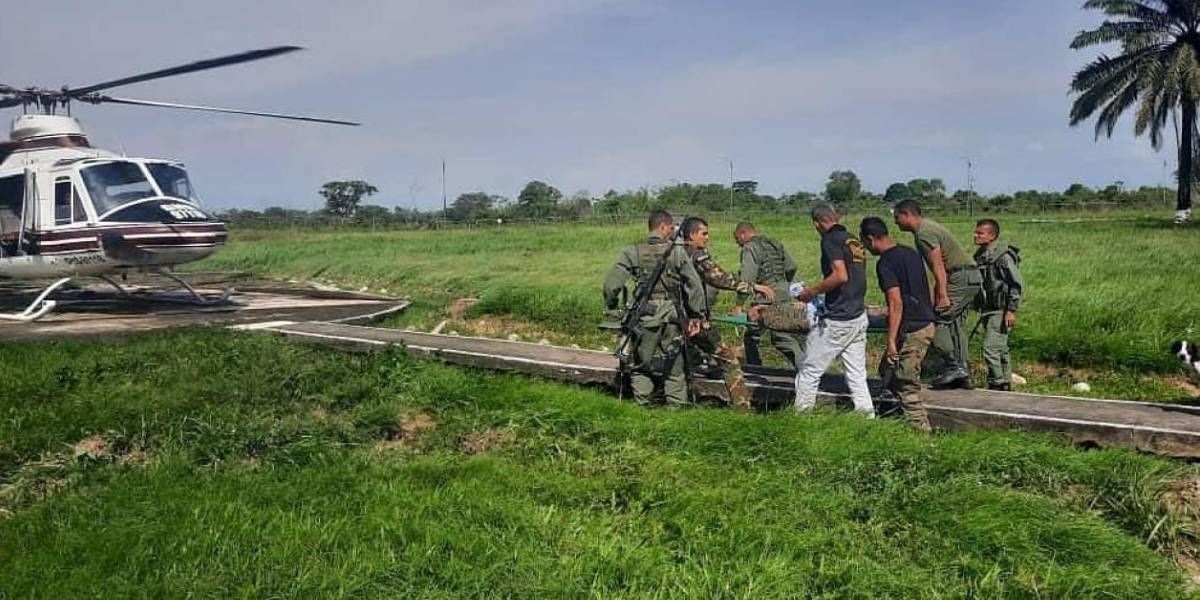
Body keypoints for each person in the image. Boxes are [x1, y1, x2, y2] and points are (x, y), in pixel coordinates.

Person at [602, 210, 707, 406]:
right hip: (672, 315)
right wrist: (696, 315)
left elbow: (611, 285)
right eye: (670, 228)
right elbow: (694, 286)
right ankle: (676, 410)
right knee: (675, 368)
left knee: (641, 364)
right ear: (663, 227)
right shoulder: (677, 252)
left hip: (645, 314)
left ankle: (643, 408)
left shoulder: (633, 251)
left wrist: (612, 309)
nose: (671, 232)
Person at [679, 217, 775, 409]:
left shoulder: (674, 253)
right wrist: (753, 286)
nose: (707, 237)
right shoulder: (696, 255)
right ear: (692, 235)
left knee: (682, 360)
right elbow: (719, 278)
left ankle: (681, 402)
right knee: (729, 361)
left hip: (674, 319)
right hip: (695, 321)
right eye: (704, 233)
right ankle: (742, 409)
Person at [793, 204, 874, 417]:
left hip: (838, 319)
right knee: (857, 374)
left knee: (809, 371)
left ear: (817, 223)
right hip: (858, 315)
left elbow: (840, 275)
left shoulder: (829, 240)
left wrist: (812, 291)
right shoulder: (852, 239)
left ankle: (800, 420)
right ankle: (868, 419)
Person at [892, 200, 981, 389]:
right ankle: (963, 373)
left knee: (938, 318)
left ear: (907, 215)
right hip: (969, 276)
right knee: (955, 325)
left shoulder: (924, 233)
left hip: (959, 276)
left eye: (897, 217)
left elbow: (938, 265)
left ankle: (954, 366)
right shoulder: (930, 227)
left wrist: (942, 294)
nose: (895, 222)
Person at [859, 217, 935, 432]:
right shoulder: (910, 253)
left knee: (905, 381)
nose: (865, 247)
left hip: (913, 328)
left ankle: (921, 434)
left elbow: (895, 303)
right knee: (886, 370)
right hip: (924, 320)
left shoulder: (886, 263)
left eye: (864, 243)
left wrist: (891, 340)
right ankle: (898, 413)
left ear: (871, 238)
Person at [734, 222, 804, 368]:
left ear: (742, 234)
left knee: (757, 333)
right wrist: (784, 285)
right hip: (784, 291)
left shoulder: (750, 247)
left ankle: (755, 369)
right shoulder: (774, 243)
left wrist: (739, 305)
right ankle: (807, 369)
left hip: (766, 296)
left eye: (737, 239)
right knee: (783, 331)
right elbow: (792, 266)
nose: (738, 244)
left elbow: (746, 279)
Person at [972, 218, 1024, 391]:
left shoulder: (1003, 257)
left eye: (980, 233)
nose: (975, 235)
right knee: (1000, 348)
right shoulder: (980, 256)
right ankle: (1005, 381)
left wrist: (1011, 310)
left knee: (990, 348)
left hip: (1001, 310)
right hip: (989, 309)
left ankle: (997, 382)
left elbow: (1016, 284)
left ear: (992, 236)